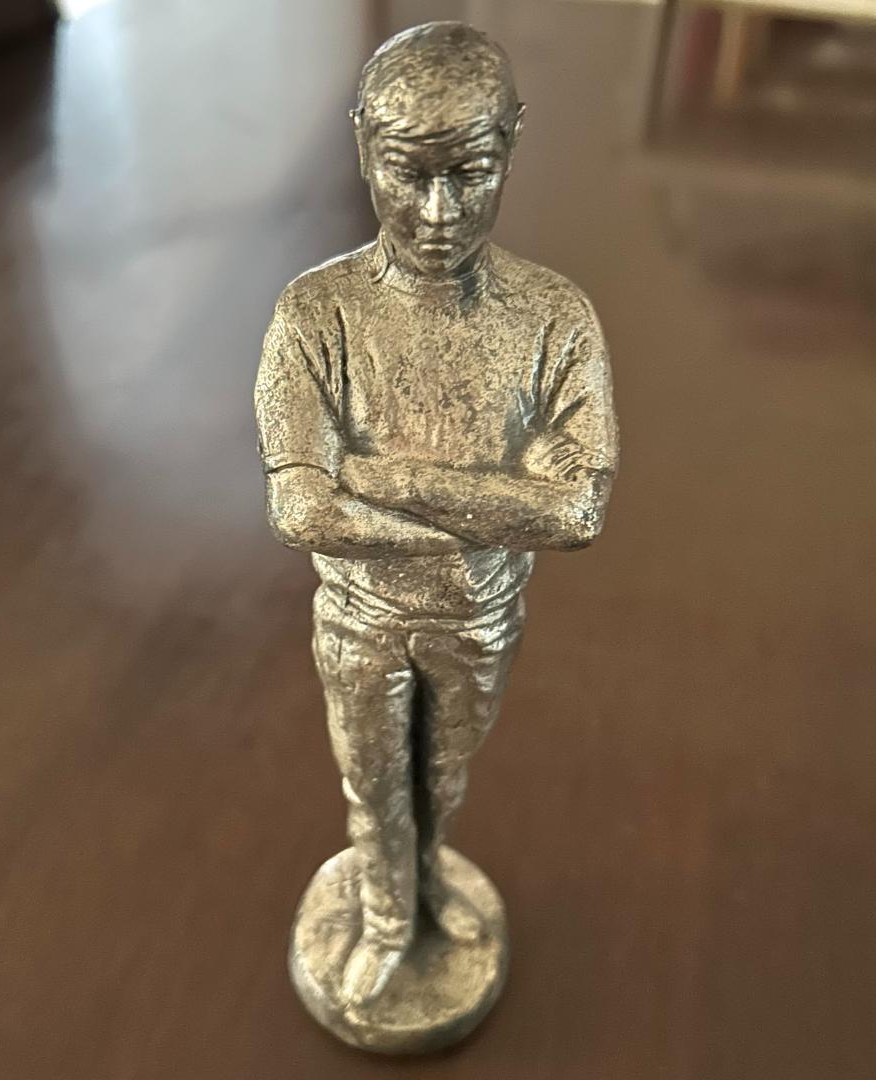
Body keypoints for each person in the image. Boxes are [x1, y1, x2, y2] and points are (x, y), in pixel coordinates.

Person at [254, 21, 618, 1009]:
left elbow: (579, 512)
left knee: (443, 776)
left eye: (471, 171)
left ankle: (423, 877)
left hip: (481, 618)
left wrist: (387, 479)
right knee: (374, 781)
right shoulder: (316, 314)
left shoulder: (554, 320)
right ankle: (384, 918)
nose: (439, 210)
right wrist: (499, 510)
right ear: (361, 145)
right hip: (361, 618)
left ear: (513, 141)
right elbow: (301, 508)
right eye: (409, 172)